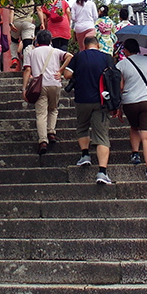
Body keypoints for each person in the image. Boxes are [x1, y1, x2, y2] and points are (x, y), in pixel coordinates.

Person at [63, 36, 116, 185]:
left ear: (84, 46)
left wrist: (78, 74)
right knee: (102, 135)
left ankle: (85, 155)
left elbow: (67, 74)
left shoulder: (79, 57)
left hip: (82, 99)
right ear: (98, 45)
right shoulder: (107, 57)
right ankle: (102, 172)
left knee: (82, 127)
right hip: (101, 100)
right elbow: (114, 77)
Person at [117, 38, 147, 182]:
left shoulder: (122, 64)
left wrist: (118, 107)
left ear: (126, 50)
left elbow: (120, 86)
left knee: (134, 127)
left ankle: (135, 153)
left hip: (130, 102)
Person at [22, 30, 72, 155]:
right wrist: (60, 70)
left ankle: (43, 140)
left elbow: (27, 70)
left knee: (41, 113)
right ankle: (51, 132)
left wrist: (24, 88)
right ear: (50, 41)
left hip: (39, 85)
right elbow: (70, 56)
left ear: (37, 41)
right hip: (54, 83)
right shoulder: (55, 51)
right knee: (53, 109)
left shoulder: (31, 53)